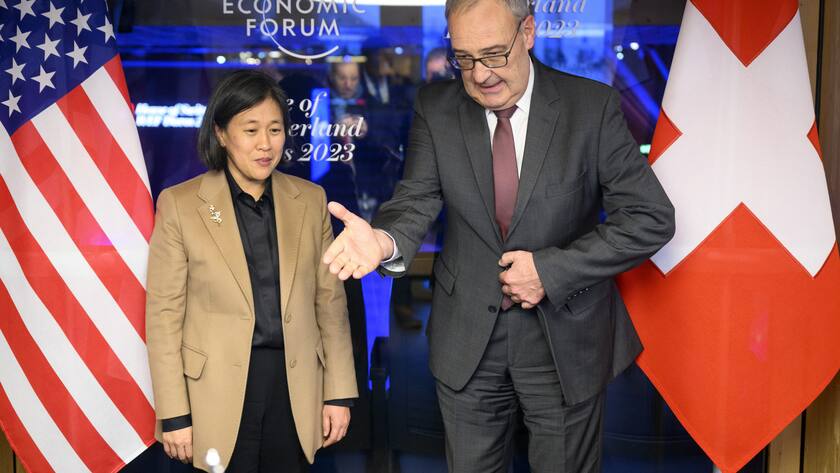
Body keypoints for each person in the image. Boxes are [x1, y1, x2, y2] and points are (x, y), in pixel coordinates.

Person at [322, 0, 676, 471]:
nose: (480, 75)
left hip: (565, 338)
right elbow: (416, 199)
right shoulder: (437, 107)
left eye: (493, 54)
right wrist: (385, 241)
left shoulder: (591, 108)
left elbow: (650, 217)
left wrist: (550, 271)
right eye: (464, 58)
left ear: (527, 32)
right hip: (468, 337)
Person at [146, 70, 358, 472]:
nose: (265, 144)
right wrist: (173, 414)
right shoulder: (180, 204)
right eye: (251, 130)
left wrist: (339, 393)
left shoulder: (311, 201)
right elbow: (163, 318)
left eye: (275, 129)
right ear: (222, 133)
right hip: (215, 391)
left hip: (294, 386)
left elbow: (330, 304)